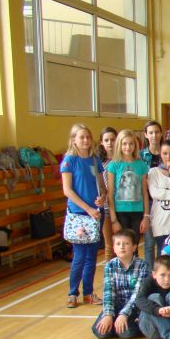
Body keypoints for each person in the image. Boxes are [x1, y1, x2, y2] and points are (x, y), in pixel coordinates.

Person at [62, 123, 106, 308]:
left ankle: (88, 292)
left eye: (88, 137)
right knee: (79, 256)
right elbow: (68, 190)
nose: (86, 140)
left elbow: (102, 186)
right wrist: (88, 209)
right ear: (74, 140)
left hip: (96, 214)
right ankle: (73, 293)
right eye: (81, 137)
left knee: (91, 256)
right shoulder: (69, 161)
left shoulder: (95, 160)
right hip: (79, 214)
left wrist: (102, 197)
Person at [92, 229, 148, 338]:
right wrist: (108, 314)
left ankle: (131, 323)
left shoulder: (142, 265)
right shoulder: (110, 265)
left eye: (126, 243)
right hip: (116, 306)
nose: (122, 247)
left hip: (133, 308)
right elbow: (108, 292)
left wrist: (124, 314)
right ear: (113, 248)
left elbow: (137, 295)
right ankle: (114, 323)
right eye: (118, 244)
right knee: (101, 332)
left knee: (126, 333)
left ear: (134, 247)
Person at [106, 128, 149, 241]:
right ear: (119, 145)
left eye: (131, 144)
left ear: (135, 145)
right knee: (123, 242)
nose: (128, 147)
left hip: (137, 211)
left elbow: (144, 192)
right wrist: (114, 220)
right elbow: (110, 193)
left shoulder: (141, 165)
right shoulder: (114, 165)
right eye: (124, 144)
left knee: (134, 243)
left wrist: (146, 216)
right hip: (120, 212)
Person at [140, 120, 163, 268]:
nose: (154, 135)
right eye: (151, 133)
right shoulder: (140, 155)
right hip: (147, 201)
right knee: (149, 242)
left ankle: (161, 271)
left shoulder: (166, 152)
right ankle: (150, 274)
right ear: (146, 135)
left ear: (161, 133)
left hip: (163, 202)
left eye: (157, 132)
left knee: (162, 240)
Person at [98, 126, 117, 263]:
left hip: (121, 206)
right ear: (101, 142)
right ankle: (109, 274)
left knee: (124, 243)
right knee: (110, 246)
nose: (110, 143)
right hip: (106, 208)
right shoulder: (99, 162)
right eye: (106, 140)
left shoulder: (122, 160)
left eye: (112, 139)